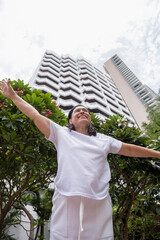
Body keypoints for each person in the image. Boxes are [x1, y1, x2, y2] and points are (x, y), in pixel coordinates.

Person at [0, 79, 160, 240]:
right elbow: (34, 115)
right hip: (66, 196)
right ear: (70, 120)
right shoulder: (61, 133)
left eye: (85, 111)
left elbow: (130, 149)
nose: (82, 112)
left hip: (99, 198)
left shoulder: (104, 139)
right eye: (77, 111)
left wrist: (158, 154)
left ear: (90, 119)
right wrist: (13, 96)